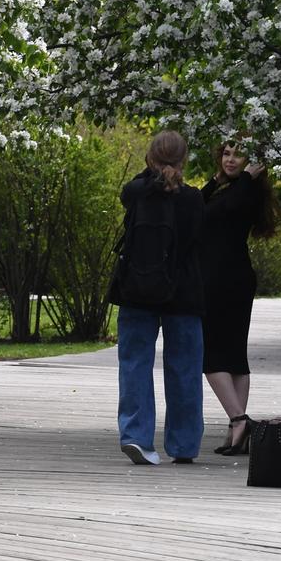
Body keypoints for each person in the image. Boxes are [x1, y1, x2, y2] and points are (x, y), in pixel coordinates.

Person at [106, 130, 205, 465]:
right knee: (185, 368)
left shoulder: (135, 193)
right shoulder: (193, 200)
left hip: (137, 289)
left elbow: (136, 190)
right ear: (183, 160)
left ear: (149, 158)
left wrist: (150, 172)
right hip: (183, 291)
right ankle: (184, 444)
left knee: (134, 364)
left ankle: (136, 435)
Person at [200, 140, 278, 456]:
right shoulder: (230, 189)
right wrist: (213, 181)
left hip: (225, 279)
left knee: (214, 355)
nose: (230, 160)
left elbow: (229, 210)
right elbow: (194, 211)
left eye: (238, 155)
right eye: (226, 154)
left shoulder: (246, 191)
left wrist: (245, 177)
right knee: (231, 355)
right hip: (224, 278)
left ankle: (239, 419)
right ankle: (238, 431)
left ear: (253, 162)